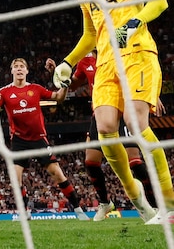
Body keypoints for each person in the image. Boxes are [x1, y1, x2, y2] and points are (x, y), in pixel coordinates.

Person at [52, 0, 172, 223]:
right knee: (106, 130)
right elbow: (90, 34)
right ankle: (140, 203)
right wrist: (68, 61)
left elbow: (158, 1)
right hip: (105, 63)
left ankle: (169, 202)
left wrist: (133, 22)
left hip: (136, 53)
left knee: (135, 123)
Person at [46, 50, 160, 221]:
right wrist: (58, 74)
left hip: (124, 109)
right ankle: (105, 203)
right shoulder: (85, 60)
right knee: (91, 162)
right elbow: (75, 84)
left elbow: (142, 69)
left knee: (135, 162)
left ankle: (157, 206)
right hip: (100, 113)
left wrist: (152, 93)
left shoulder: (121, 50)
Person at [0, 58, 90, 220]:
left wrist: (65, 85)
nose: (19, 69)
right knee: (16, 176)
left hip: (39, 139)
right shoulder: (4, 92)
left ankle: (78, 210)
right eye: (16, 67)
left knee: (57, 174)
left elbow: (58, 98)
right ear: (12, 71)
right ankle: (24, 211)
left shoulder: (35, 89)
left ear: (27, 71)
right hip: (19, 141)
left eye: (22, 67)